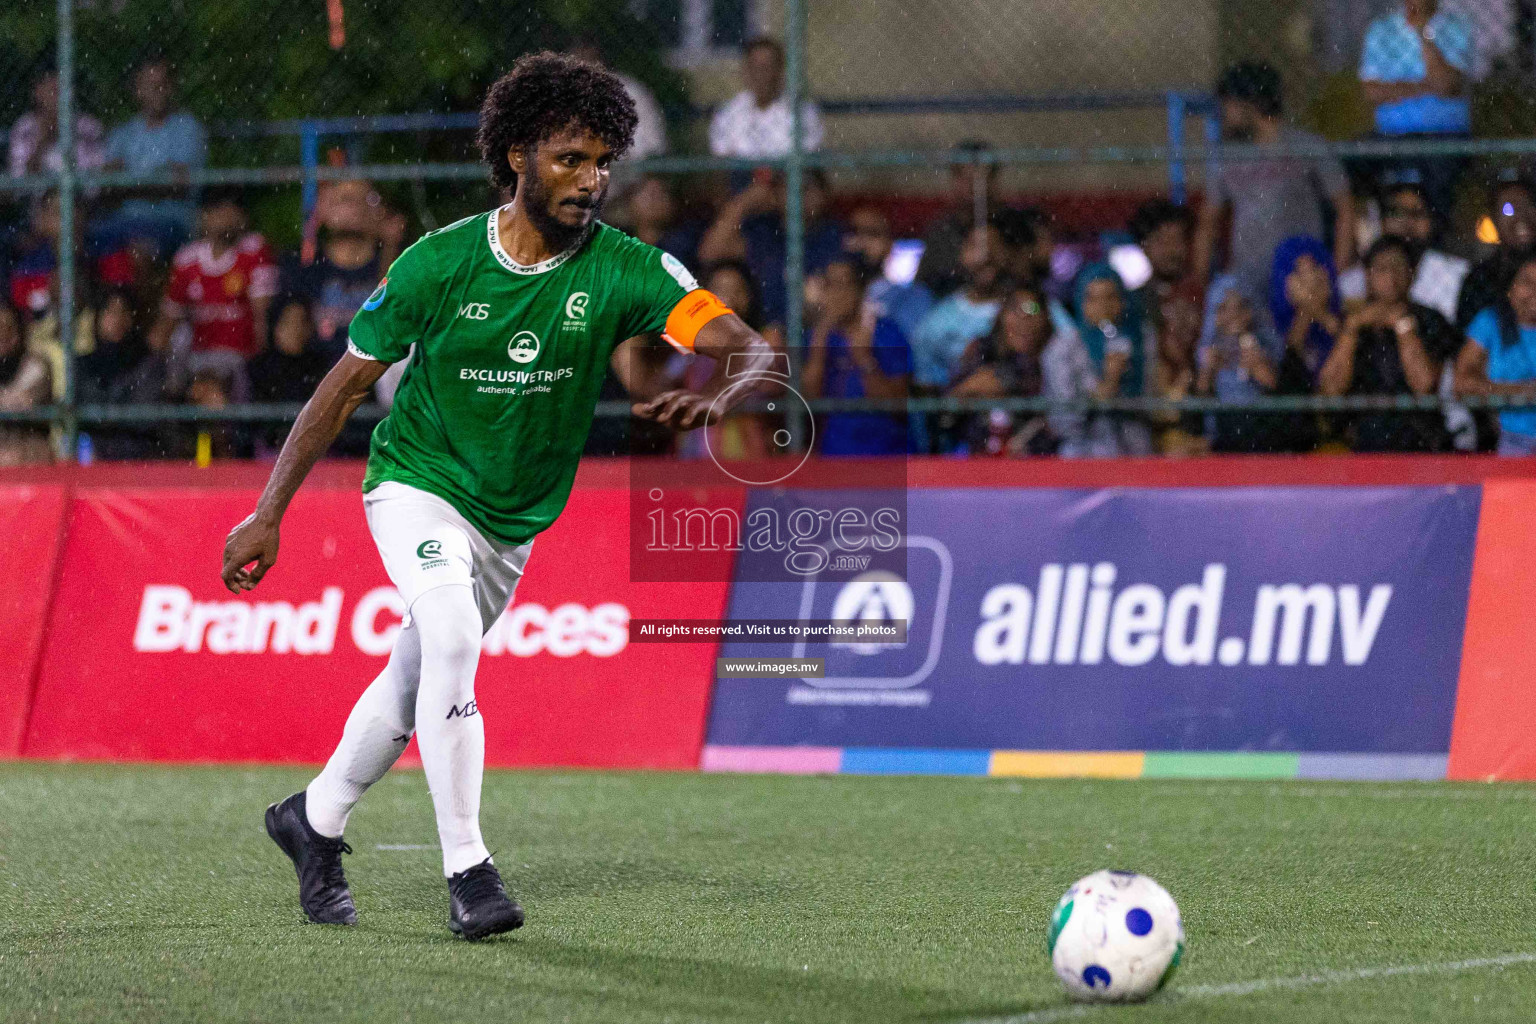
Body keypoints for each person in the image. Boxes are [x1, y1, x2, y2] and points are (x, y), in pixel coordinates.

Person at [221, 53, 773, 940]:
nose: (590, 181)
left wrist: (721, 394)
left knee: (413, 682)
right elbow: (342, 387)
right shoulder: (437, 266)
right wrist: (268, 511)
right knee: (445, 636)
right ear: (518, 155)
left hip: (512, 521)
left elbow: (746, 347)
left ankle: (313, 820)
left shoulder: (631, 272)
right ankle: (469, 871)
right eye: (569, 159)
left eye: (602, 163)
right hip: (417, 485)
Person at [1194, 61, 1356, 297]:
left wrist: (1336, 273)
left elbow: (1345, 209)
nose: (1223, 113)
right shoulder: (1227, 155)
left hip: (1301, 280)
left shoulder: (1307, 146)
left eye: (1228, 103)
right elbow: (1208, 222)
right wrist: (1203, 287)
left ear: (1250, 103)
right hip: (1246, 282)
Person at [1319, 236, 1460, 451]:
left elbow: (1425, 386)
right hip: (1362, 441)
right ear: (1367, 275)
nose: (1390, 276)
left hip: (1420, 439)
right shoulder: (1351, 321)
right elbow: (1331, 389)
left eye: (1398, 267)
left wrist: (1402, 326)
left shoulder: (1430, 319)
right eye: (1381, 268)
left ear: (1412, 274)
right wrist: (1352, 328)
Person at [1358, 0, 1475, 217]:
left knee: (1436, 187)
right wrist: (1425, 86)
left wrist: (1423, 34)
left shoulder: (1457, 27)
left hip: (1444, 136)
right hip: (1390, 137)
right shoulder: (1382, 30)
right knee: (1356, 164)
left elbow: (1447, 85)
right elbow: (1372, 92)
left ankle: (1433, 236)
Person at [696, 168, 844, 327]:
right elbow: (709, 253)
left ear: (823, 194)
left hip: (811, 333)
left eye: (807, 188)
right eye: (789, 187)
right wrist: (744, 202)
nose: (798, 195)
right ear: (776, 193)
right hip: (759, 330)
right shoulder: (764, 230)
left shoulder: (836, 236)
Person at [282, 179, 406, 363]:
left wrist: (391, 246)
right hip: (319, 369)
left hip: (377, 367)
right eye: (343, 199)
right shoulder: (305, 265)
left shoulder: (395, 260)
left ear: (380, 212)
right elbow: (289, 341)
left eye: (362, 200)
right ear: (324, 209)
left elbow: (395, 321)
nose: (351, 207)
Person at [799, 256, 910, 455]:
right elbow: (808, 400)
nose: (834, 295)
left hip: (885, 453)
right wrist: (819, 345)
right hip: (833, 454)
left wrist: (863, 357)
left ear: (860, 290)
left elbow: (896, 404)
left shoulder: (887, 332)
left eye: (842, 285)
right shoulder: (816, 337)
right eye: (829, 285)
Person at [153, 190, 279, 365]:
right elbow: (169, 318)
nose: (225, 218)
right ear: (204, 216)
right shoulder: (187, 260)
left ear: (243, 217)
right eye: (219, 211)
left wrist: (262, 364)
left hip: (242, 359)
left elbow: (262, 316)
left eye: (231, 211)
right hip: (197, 359)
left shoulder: (254, 251)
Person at [99, 60, 208, 260]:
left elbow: (177, 186)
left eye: (163, 84)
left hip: (171, 221)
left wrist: (126, 182)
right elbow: (106, 186)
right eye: (150, 85)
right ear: (137, 91)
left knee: (139, 250)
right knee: (83, 244)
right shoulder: (123, 133)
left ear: (171, 88)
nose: (157, 91)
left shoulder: (187, 128)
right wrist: (154, 180)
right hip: (123, 220)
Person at [947, 282, 1068, 456]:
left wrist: (1010, 389)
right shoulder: (980, 351)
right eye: (1014, 310)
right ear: (1001, 315)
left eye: (1032, 310)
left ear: (1045, 318)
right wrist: (967, 389)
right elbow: (944, 417)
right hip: (979, 461)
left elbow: (1063, 419)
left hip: (1041, 461)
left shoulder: (1056, 356)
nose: (1023, 319)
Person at [1340, 179, 1468, 321]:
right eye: (1398, 213)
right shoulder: (1353, 279)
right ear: (1382, 221)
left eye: (1417, 213)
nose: (1408, 223)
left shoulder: (1457, 273)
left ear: (1432, 221)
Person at [1196, 275, 1292, 453]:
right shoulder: (1208, 349)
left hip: (1261, 435)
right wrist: (1208, 371)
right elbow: (1200, 398)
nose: (1233, 316)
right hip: (1221, 436)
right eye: (1224, 308)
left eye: (1240, 307)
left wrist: (1258, 365)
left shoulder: (1266, 344)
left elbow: (1276, 387)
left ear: (1250, 311)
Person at [909, 223, 1007, 393]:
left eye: (993, 245)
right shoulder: (936, 321)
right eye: (975, 246)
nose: (985, 255)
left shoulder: (1033, 310)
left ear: (1007, 253)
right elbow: (926, 390)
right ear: (961, 253)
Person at [1456, 253, 1536, 454]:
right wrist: (1522, 392)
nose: (1535, 290)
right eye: (1527, 282)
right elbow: (1462, 382)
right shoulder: (1490, 322)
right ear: (1510, 288)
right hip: (1509, 441)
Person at [1071, 262, 1154, 457]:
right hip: (1083, 449)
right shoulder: (1066, 347)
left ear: (1123, 301)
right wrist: (1109, 380)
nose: (1103, 307)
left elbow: (1152, 395)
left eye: (1111, 297)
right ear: (1082, 303)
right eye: (1094, 299)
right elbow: (1065, 416)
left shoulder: (1142, 338)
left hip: (1136, 444)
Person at [708, 37, 823, 160]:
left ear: (780, 71)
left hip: (784, 177)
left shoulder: (802, 111)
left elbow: (807, 161)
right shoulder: (729, 111)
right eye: (754, 67)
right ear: (746, 71)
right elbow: (721, 160)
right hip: (742, 177)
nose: (760, 75)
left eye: (767, 67)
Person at [916, 140, 998, 296]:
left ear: (993, 181)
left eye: (979, 177)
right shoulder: (941, 231)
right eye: (964, 177)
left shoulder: (1012, 225)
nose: (972, 184)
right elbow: (924, 283)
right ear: (954, 180)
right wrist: (960, 265)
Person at [1456, 173, 1536, 332]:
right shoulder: (1480, 279)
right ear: (1493, 220)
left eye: (1529, 206)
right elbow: (1468, 338)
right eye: (1508, 209)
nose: (1521, 216)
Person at [844, 205, 933, 340]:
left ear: (887, 235)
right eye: (857, 232)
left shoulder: (906, 257)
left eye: (872, 233)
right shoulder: (848, 263)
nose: (864, 241)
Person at [8, 68, 105, 178]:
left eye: (64, 90)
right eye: (53, 91)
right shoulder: (24, 127)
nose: (60, 98)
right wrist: (44, 139)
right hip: (37, 194)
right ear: (37, 92)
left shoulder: (87, 126)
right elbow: (20, 178)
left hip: (77, 194)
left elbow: (95, 175)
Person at [0, 301, 52, 465]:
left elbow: (23, 401)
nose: (3, 335)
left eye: (9, 327)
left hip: (28, 453)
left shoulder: (37, 365)